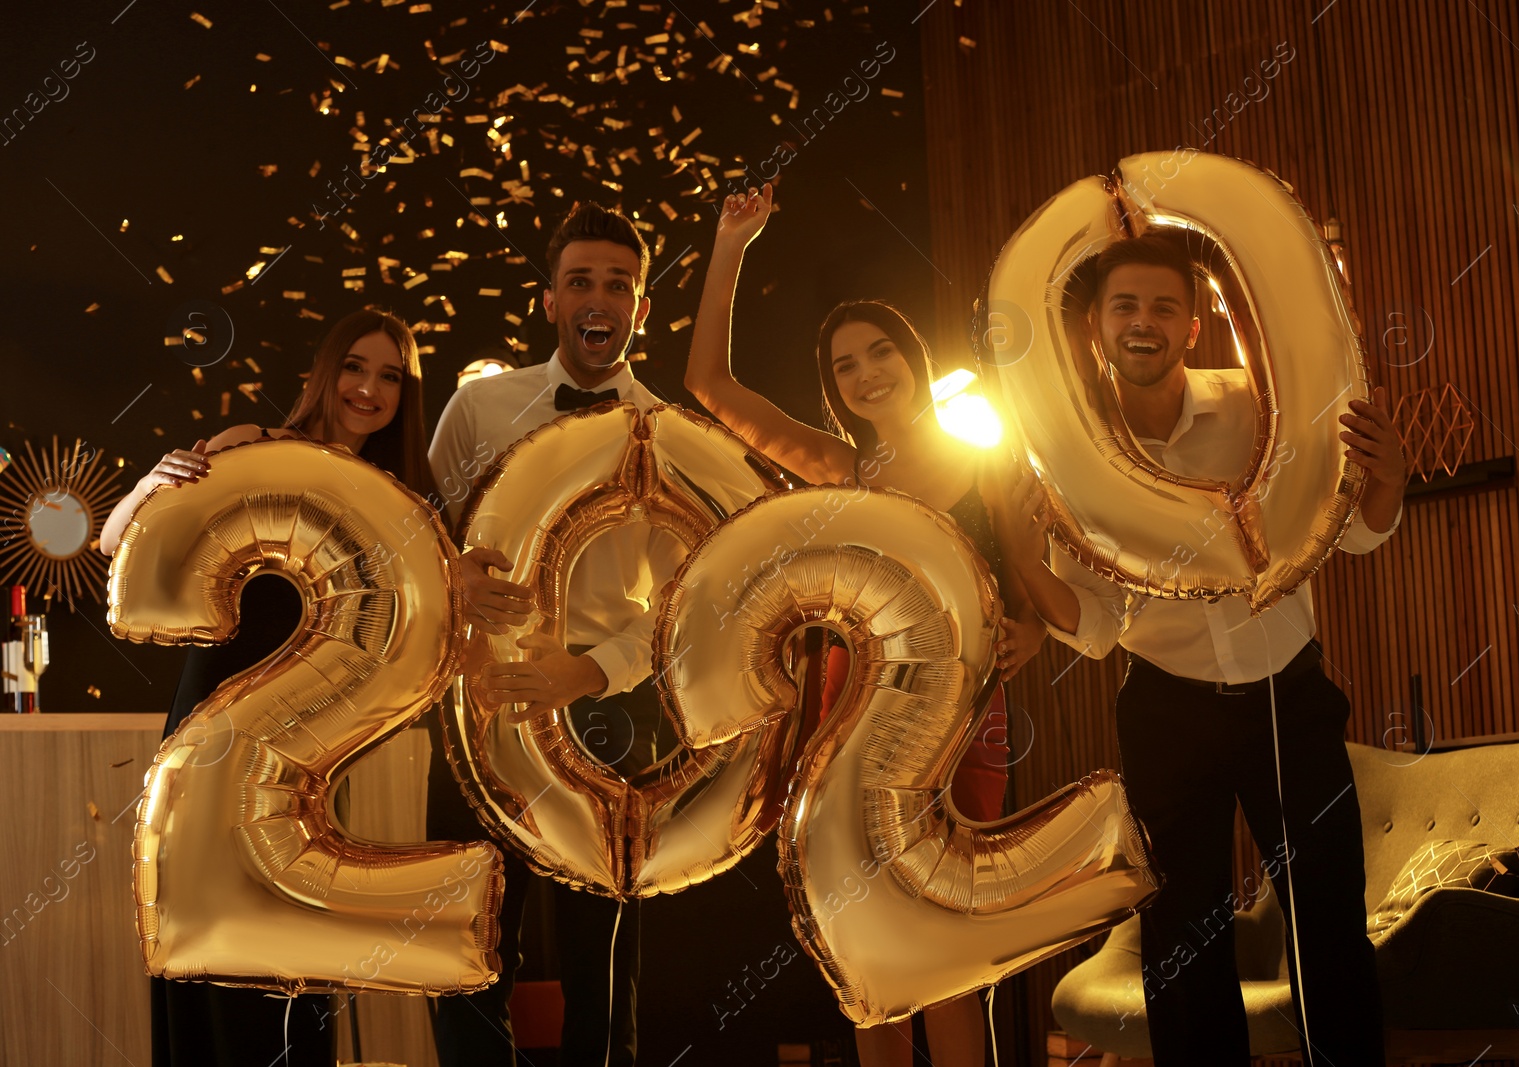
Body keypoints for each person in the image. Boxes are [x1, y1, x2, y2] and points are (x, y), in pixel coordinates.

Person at [1004, 233, 1405, 1066]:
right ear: (1097, 330)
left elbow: (1351, 537)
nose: (1142, 322)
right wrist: (1013, 541)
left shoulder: (1263, 408)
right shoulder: (1070, 457)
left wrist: (1389, 478)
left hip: (1288, 697)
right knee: (1182, 939)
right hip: (1166, 704)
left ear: (1193, 326)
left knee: (1329, 916)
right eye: (1124, 307)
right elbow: (1095, 622)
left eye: (1163, 306)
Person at [684, 183, 1047, 1067]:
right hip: (848, 716)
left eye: (880, 350)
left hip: (964, 719)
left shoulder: (983, 451)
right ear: (836, 389)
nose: (866, 371)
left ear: (914, 359)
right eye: (846, 365)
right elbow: (707, 385)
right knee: (865, 938)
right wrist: (732, 244)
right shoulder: (841, 469)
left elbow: (1034, 590)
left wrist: (1031, 633)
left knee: (947, 936)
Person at [101, 308, 434, 1067]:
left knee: (295, 951)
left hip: (307, 750)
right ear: (326, 370)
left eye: (390, 376)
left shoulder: (399, 496)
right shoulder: (255, 445)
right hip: (213, 725)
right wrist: (151, 483)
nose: (368, 388)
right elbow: (118, 541)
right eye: (356, 366)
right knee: (205, 932)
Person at [426, 201, 680, 1067]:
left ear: (640, 309)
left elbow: (689, 602)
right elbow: (424, 547)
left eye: (618, 283)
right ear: (548, 301)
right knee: (468, 941)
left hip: (607, 714)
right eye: (580, 281)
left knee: (602, 957)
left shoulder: (670, 435)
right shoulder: (475, 409)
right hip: (479, 707)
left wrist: (593, 671)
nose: (597, 296)